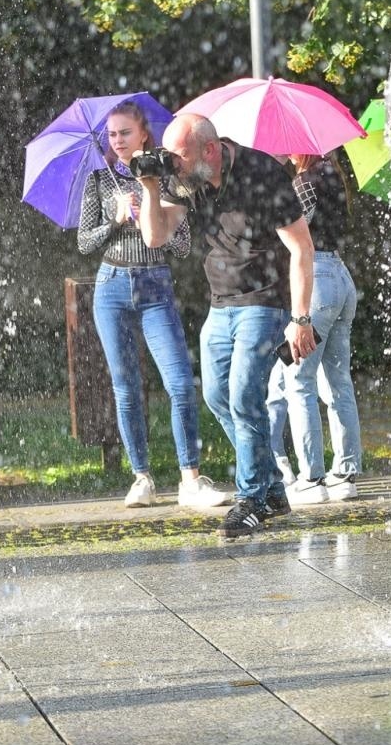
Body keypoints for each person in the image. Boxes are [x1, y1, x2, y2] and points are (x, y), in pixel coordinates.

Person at [134, 113, 318, 540]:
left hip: (264, 302)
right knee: (217, 396)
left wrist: (301, 318)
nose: (173, 165)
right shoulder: (186, 178)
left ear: (210, 151)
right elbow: (155, 238)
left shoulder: (261, 173)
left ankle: (250, 499)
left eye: (178, 157)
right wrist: (149, 188)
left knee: (243, 396)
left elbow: (302, 247)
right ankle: (272, 487)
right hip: (221, 304)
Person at [78, 102, 231, 510]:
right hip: (111, 287)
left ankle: (190, 479)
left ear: (144, 135)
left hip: (154, 286)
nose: (118, 141)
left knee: (179, 383)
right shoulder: (98, 180)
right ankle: (141, 476)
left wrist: (151, 215)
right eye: (112, 135)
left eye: (125, 133)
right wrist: (114, 220)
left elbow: (180, 247)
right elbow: (83, 242)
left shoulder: (167, 182)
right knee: (126, 388)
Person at [264, 151, 363, 506]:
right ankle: (346, 473)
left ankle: (311, 478)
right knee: (337, 380)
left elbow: (294, 238)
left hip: (316, 283)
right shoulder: (332, 177)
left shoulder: (304, 182)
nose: (287, 151)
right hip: (339, 276)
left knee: (298, 380)